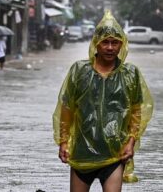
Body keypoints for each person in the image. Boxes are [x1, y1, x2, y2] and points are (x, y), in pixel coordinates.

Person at [53, 11, 154, 192]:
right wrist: (63, 142)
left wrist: (130, 142)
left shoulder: (131, 74)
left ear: (121, 45)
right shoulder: (79, 70)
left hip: (115, 153)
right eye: (105, 42)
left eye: (114, 42)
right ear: (96, 44)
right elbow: (66, 108)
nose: (109, 47)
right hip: (82, 152)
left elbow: (137, 112)